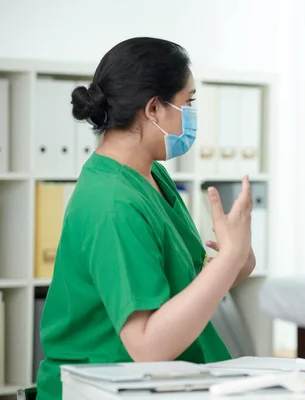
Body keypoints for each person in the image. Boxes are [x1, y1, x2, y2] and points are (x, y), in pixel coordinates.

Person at [36, 37, 255, 400]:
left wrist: (233, 260)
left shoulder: (150, 174)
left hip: (167, 379)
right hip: (109, 386)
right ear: (154, 108)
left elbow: (182, 287)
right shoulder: (111, 203)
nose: (192, 114)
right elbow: (146, 346)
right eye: (189, 102)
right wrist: (226, 262)